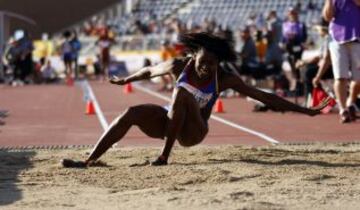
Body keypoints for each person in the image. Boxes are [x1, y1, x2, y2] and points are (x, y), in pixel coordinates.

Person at [61, 33, 329, 168]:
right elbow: (150, 70)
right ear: (194, 58)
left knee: (182, 94)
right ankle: (88, 161)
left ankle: (164, 156)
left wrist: (307, 111)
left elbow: (264, 96)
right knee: (131, 112)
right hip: (168, 123)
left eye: (212, 64)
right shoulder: (180, 66)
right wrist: (126, 80)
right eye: (203, 63)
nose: (206, 69)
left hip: (194, 131)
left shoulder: (223, 79)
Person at [323, 0, 360, 123]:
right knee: (340, 77)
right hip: (337, 39)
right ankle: (343, 110)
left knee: (358, 78)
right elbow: (327, 16)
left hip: (357, 37)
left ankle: (350, 102)